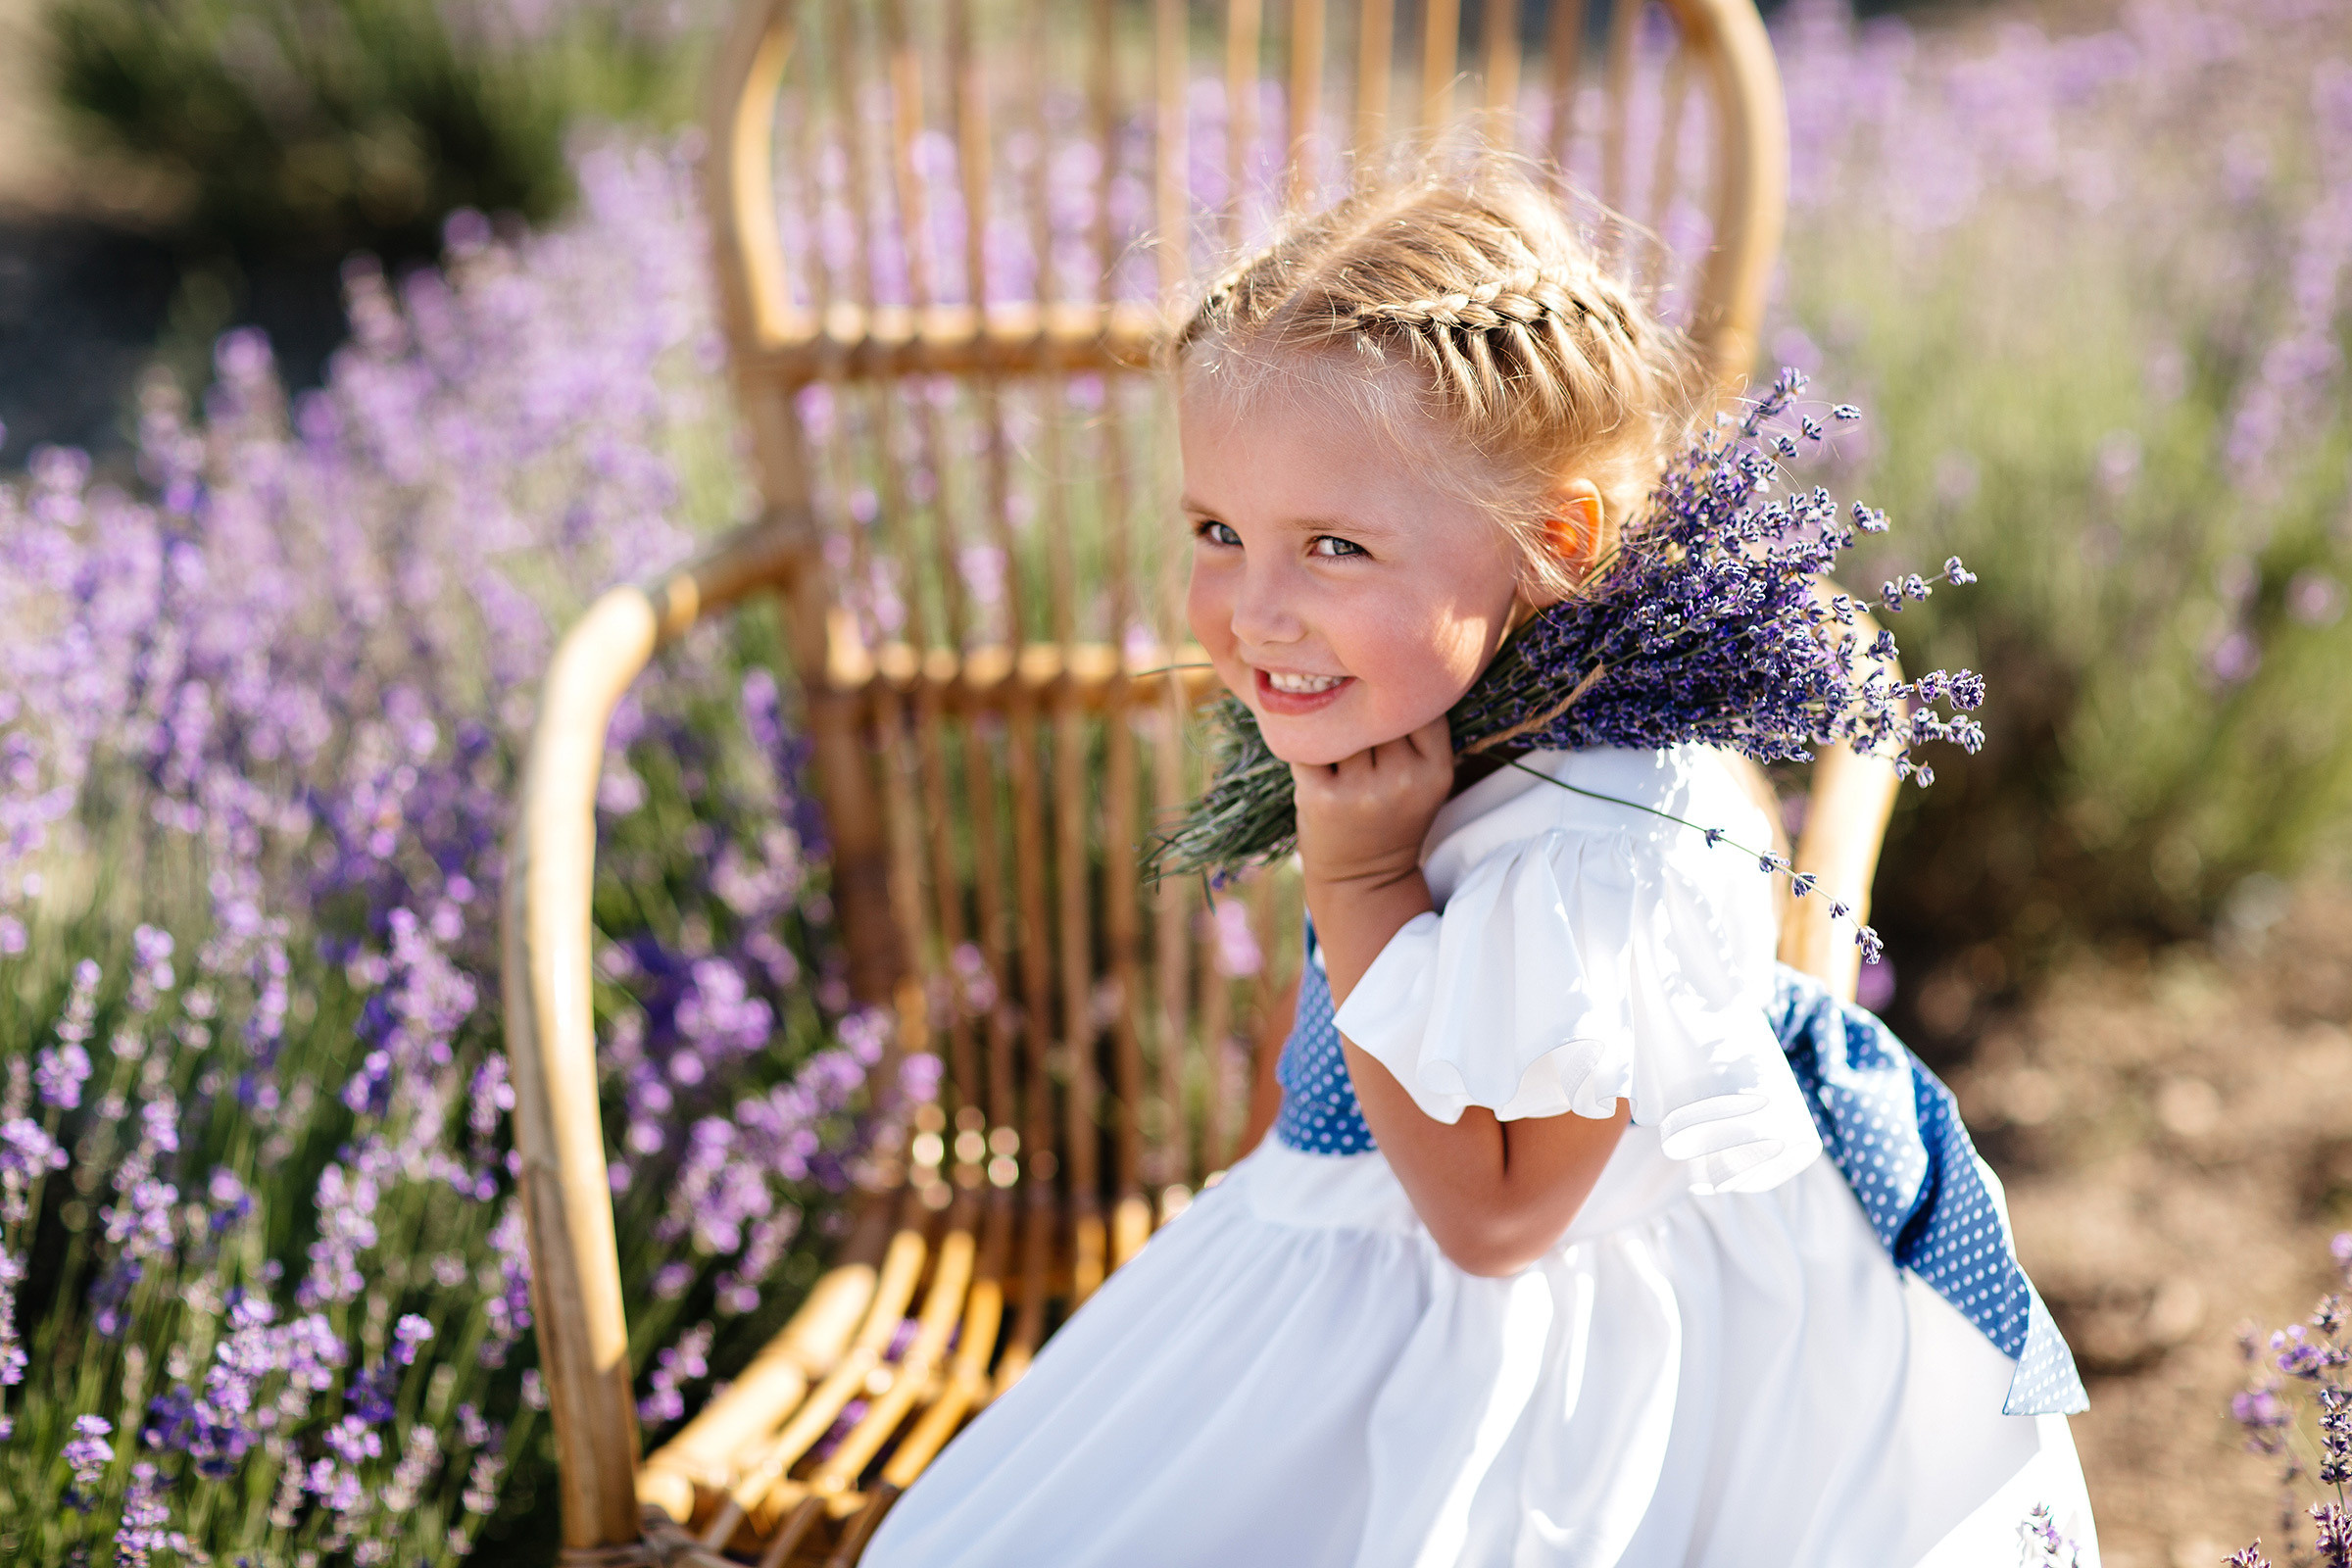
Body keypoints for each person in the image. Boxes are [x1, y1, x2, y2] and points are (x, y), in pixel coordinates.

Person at [860, 156, 2099, 1568]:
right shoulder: (1450, 717)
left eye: (1332, 546)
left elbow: (1500, 1218)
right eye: (1218, 531)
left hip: (1534, 1367)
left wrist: (1359, 884)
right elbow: (1344, 1058)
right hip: (1353, 1250)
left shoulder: (1604, 842)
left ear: (1555, 544)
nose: (1254, 610)